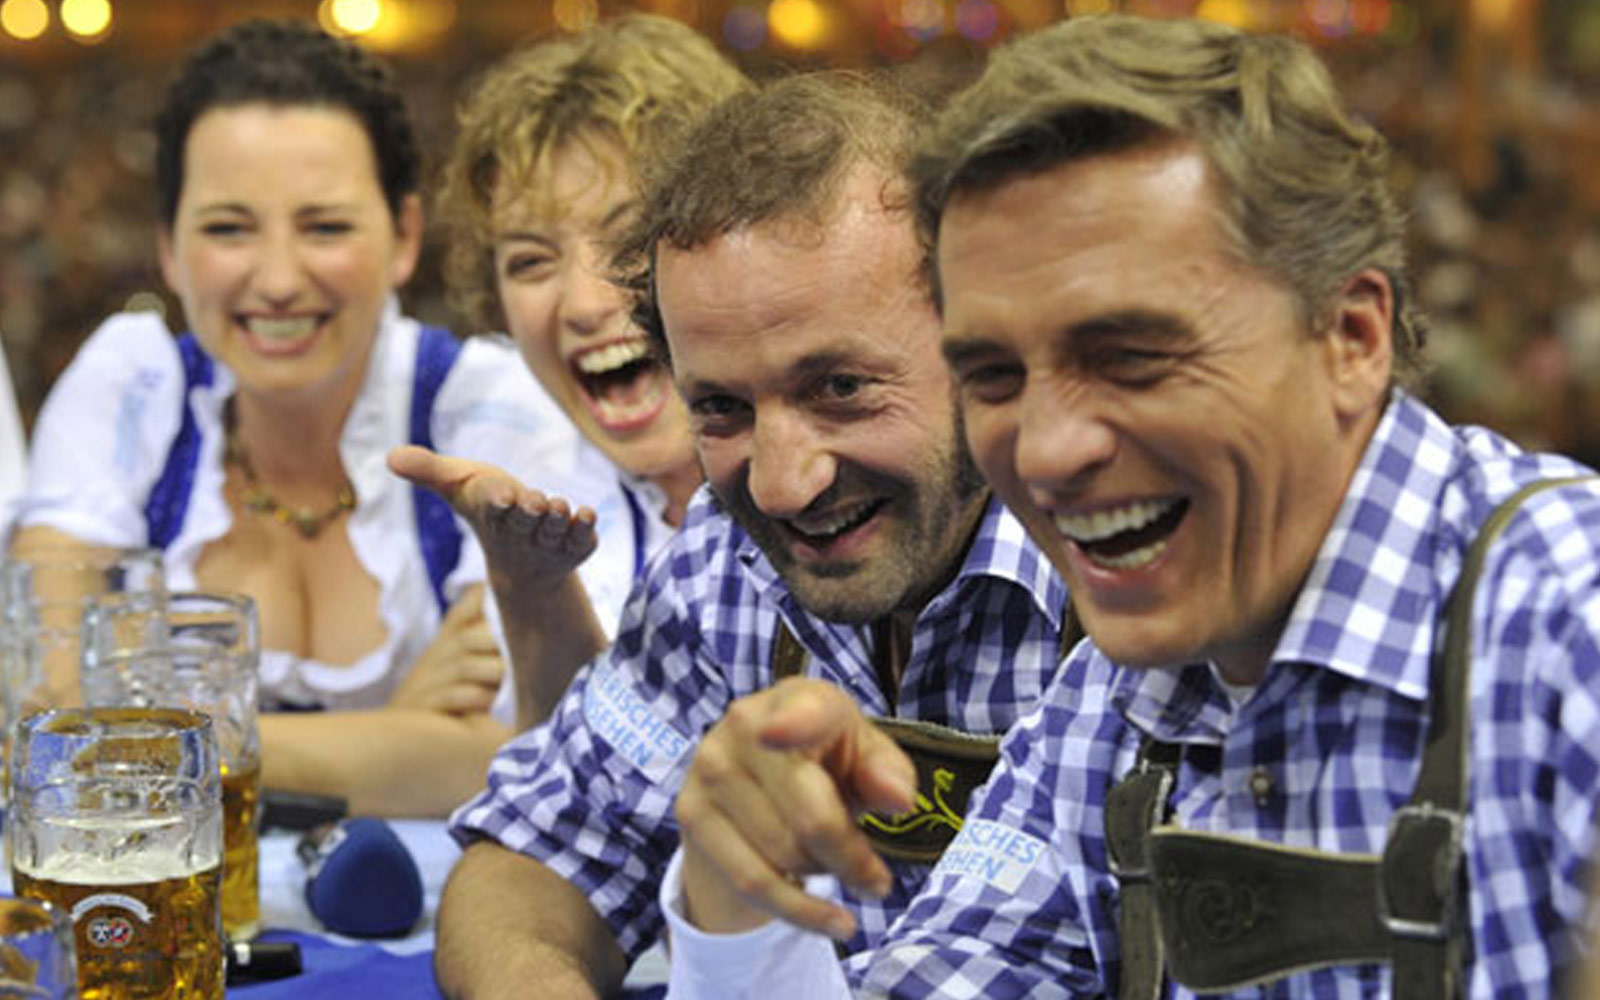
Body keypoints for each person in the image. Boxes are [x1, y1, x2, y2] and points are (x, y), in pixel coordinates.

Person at [658, 14, 1600, 999]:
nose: (1048, 451)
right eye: (993, 374)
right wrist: (738, 912)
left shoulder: (1562, 628)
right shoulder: (1108, 705)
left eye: (1129, 358)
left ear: (1350, 337)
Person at [434, 72, 1070, 999]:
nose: (780, 484)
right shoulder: (723, 562)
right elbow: (531, 856)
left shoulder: (1116, 578)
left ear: (980, 345)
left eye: (840, 388)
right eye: (723, 407)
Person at [9, 18, 600, 817]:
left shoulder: (482, 405)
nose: (279, 279)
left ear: (404, 236)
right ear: (169, 249)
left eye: (325, 226)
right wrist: (400, 736)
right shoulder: (131, 386)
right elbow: (48, 719)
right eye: (228, 228)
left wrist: (152, 734)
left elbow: (520, 751)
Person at [388, 14, 748, 729]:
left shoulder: (841, 496)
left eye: (630, 238)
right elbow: (541, 772)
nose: (584, 304)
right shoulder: (522, 478)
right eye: (530, 262)